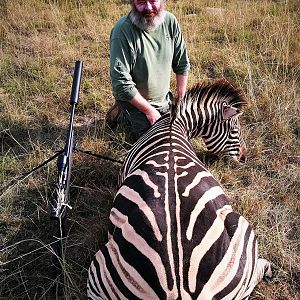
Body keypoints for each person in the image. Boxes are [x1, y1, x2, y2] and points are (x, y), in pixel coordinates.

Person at [107, 0, 190, 140]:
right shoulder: (122, 30)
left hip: (166, 101)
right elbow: (121, 83)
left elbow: (182, 64)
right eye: (141, 2)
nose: (148, 7)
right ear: (132, 3)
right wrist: (150, 111)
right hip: (137, 107)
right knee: (159, 142)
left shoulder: (170, 21)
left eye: (153, 1)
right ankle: (120, 113)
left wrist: (180, 101)